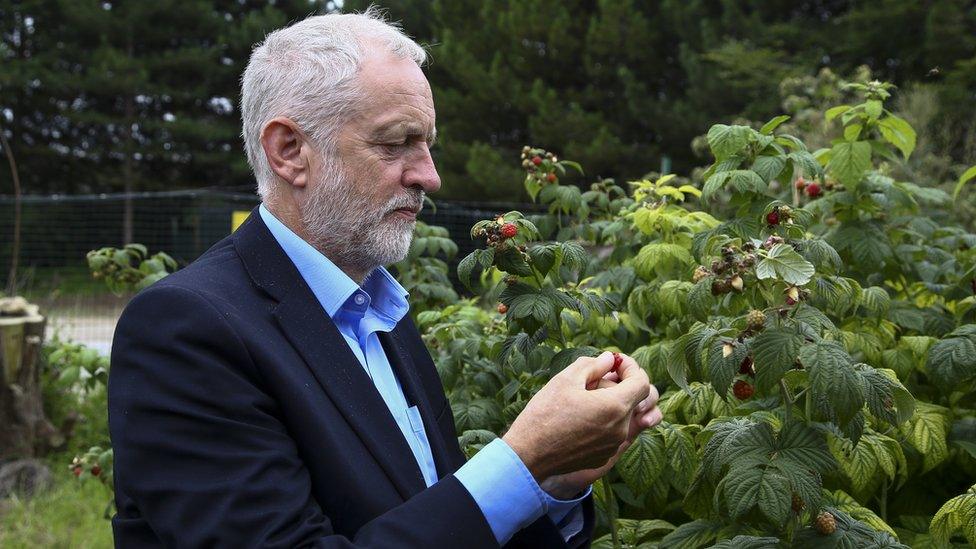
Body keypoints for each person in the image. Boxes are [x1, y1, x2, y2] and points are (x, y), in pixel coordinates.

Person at [107, 9, 662, 548]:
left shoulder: (377, 310)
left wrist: (555, 480)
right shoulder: (186, 331)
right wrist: (522, 461)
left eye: (427, 144)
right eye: (396, 143)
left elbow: (443, 525)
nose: (430, 176)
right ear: (290, 151)